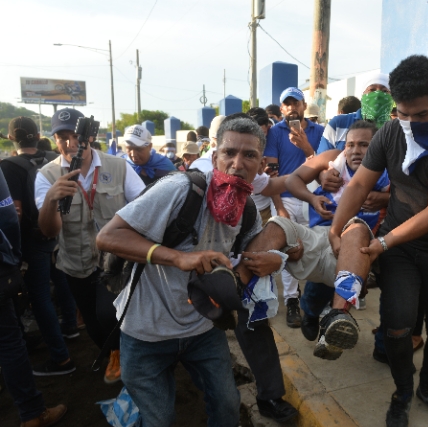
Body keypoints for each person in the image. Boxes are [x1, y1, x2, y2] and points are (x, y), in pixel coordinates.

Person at [96, 116, 298, 426]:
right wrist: (177, 258)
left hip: (202, 330)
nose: (237, 163)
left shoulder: (246, 211)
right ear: (215, 157)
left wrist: (274, 259)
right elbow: (107, 237)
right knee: (159, 419)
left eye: (249, 156)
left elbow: (252, 258)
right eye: (229, 153)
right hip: (145, 331)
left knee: (229, 405)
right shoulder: (179, 190)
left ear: (261, 167)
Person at [328, 55, 428, 427]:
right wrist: (336, 227)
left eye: (422, 115)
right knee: (397, 325)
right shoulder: (391, 133)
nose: (411, 124)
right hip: (402, 250)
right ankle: (403, 390)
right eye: (403, 113)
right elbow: (361, 182)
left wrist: (384, 242)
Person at [35, 108, 146, 384]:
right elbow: (49, 231)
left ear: (89, 136)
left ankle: (133, 358)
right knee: (93, 323)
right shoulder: (46, 176)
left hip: (115, 261)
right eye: (62, 137)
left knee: (108, 313)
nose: (70, 143)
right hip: (75, 262)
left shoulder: (119, 167)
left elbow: (144, 207)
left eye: (75, 135)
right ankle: (113, 352)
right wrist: (51, 199)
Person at [285, 120, 389, 354]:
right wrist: (312, 198)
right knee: (318, 289)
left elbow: (409, 196)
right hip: (325, 233)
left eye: (364, 145)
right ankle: (310, 313)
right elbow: (292, 180)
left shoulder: (387, 167)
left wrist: (385, 199)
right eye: (350, 144)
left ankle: (331, 336)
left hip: (361, 240)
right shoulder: (334, 158)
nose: (355, 150)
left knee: (348, 283)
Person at [0, 117, 78, 377]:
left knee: (40, 295)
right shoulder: (51, 158)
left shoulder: (9, 166)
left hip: (31, 239)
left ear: (11, 138)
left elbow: (16, 212)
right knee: (61, 277)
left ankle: (60, 356)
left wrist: (13, 249)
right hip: (57, 230)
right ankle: (70, 325)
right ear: (38, 135)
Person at [0, 168, 68, 427]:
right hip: (15, 256)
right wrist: (13, 259)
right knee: (9, 341)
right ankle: (32, 413)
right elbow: (7, 216)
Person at [264, 87, 324, 328]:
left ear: (303, 106)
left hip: (313, 198)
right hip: (286, 198)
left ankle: (313, 301)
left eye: (295, 103)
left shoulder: (320, 131)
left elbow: (326, 166)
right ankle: (291, 299)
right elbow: (272, 174)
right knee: (290, 250)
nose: (291, 108)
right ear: (281, 109)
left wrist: (306, 146)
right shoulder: (276, 133)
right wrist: (280, 208)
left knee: (317, 249)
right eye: (286, 104)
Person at [317, 73, 393, 154]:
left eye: (384, 91)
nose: (377, 95)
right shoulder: (338, 124)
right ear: (363, 95)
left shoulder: (398, 130)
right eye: (372, 90)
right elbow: (322, 160)